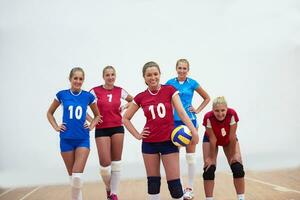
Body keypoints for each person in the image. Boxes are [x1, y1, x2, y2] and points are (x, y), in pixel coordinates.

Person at [123, 61, 199, 200]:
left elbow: (182, 112)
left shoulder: (170, 90)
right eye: (149, 75)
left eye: (155, 74)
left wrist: (194, 132)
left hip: (168, 142)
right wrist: (138, 135)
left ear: (160, 74)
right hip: (149, 144)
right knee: (153, 184)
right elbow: (125, 118)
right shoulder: (141, 97)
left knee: (175, 186)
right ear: (144, 77)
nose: (153, 78)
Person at [47, 67, 100, 200]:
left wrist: (91, 126)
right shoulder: (62, 95)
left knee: (77, 177)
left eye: (80, 79)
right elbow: (49, 113)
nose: (78, 81)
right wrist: (56, 126)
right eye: (75, 78)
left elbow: (97, 115)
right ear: (70, 79)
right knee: (73, 178)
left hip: (82, 139)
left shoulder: (88, 96)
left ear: (83, 80)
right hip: (66, 139)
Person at [166, 58, 210, 199]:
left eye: (185, 68)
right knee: (174, 157)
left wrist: (197, 110)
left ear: (188, 70)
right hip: (175, 123)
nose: (182, 71)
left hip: (190, 122)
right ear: (176, 68)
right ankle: (178, 189)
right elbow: (164, 100)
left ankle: (189, 189)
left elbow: (207, 98)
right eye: (180, 68)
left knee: (190, 157)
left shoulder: (192, 83)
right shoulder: (169, 83)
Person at [87, 66, 133, 200]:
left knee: (116, 163)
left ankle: (113, 193)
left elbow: (134, 101)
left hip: (117, 128)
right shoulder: (95, 91)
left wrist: (125, 106)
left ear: (115, 76)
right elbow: (82, 105)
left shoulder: (120, 91)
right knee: (105, 164)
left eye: (113, 74)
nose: (110, 77)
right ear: (103, 77)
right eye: (108, 75)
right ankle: (108, 188)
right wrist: (93, 120)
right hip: (102, 129)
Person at [202, 96, 245, 200]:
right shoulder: (208, 117)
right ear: (212, 110)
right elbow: (213, 139)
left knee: (237, 168)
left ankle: (241, 198)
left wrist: (234, 155)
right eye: (217, 111)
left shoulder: (232, 114)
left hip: (228, 139)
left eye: (222, 110)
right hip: (211, 140)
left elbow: (232, 137)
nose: (220, 113)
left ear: (227, 108)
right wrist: (211, 159)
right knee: (209, 170)